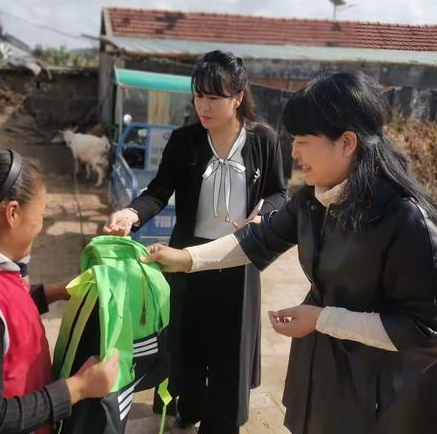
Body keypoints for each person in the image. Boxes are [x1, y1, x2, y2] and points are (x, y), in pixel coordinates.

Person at [142, 71, 437, 434]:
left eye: (302, 141)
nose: (294, 153)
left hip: (379, 398)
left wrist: (321, 319)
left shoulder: (405, 221)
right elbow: (257, 239)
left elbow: (424, 330)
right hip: (321, 381)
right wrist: (186, 259)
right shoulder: (313, 201)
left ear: (347, 142)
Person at [104, 50, 287, 433]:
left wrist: (261, 215)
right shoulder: (184, 140)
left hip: (238, 258)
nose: (203, 105)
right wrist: (132, 213)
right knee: (187, 341)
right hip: (185, 258)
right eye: (198, 95)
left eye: (214, 97)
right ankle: (187, 410)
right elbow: (158, 191)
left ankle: (221, 422)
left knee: (229, 350)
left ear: (238, 97)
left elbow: (278, 193)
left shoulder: (264, 141)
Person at [0, 149, 119, 434]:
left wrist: (56, 292)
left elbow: (5, 318)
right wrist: (77, 388)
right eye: (41, 214)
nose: (41, 227)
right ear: (12, 213)